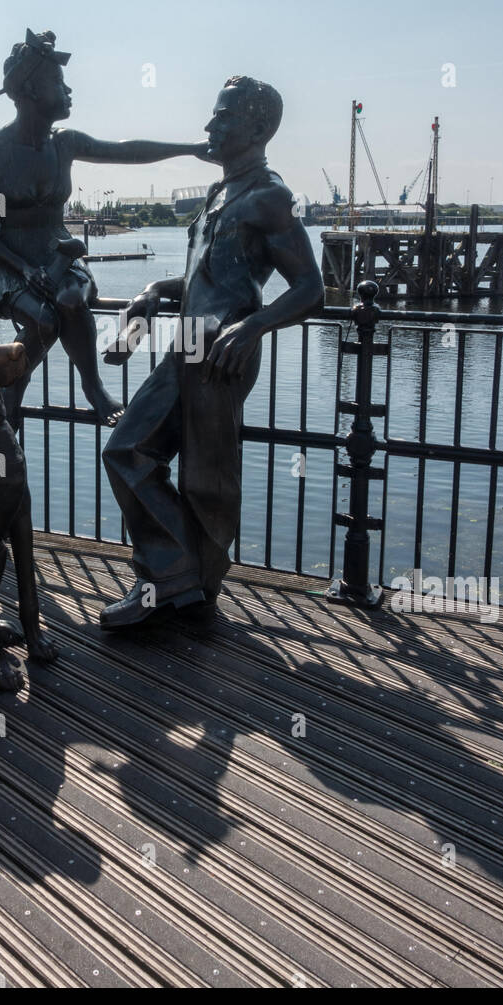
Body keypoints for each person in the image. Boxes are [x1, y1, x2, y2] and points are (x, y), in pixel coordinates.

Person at [100, 75, 324, 628]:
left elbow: (309, 288)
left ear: (255, 128)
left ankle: (184, 588)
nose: (209, 126)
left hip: (221, 351)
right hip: (190, 343)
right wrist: (155, 293)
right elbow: (207, 278)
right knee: (128, 449)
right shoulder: (220, 192)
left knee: (206, 478)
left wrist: (251, 330)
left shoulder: (269, 196)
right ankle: (177, 578)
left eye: (222, 116)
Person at [0, 29, 210, 427]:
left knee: (69, 300)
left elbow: (125, 151)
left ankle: (90, 387)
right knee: (43, 320)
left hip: (60, 255)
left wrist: (189, 148)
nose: (68, 91)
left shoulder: (64, 143)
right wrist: (24, 269)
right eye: (58, 83)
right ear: (30, 90)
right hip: (11, 263)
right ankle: (11, 389)